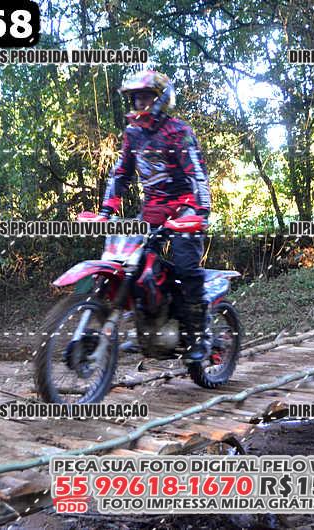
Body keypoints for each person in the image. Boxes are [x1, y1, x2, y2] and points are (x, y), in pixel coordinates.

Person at [98, 70, 212, 362]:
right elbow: (121, 173)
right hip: (151, 210)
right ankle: (146, 330)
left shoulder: (179, 131)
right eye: (136, 97)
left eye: (146, 96)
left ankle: (200, 336)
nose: (140, 102)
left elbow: (198, 174)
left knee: (186, 268)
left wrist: (201, 212)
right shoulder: (133, 133)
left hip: (185, 207)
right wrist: (107, 209)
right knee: (132, 266)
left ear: (161, 99)